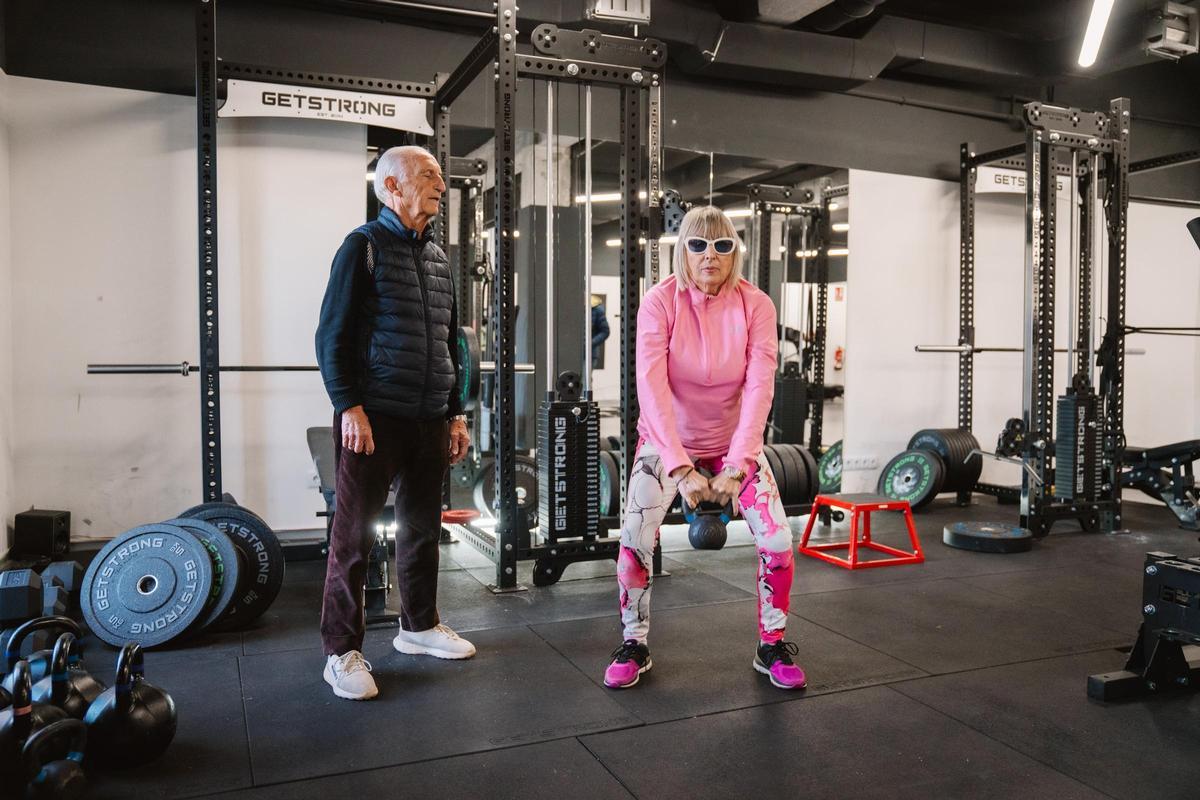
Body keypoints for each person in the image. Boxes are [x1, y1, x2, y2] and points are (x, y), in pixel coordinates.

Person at [604, 205, 806, 691]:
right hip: (666, 443)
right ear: (683, 251)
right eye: (697, 244)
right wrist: (677, 467)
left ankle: (771, 645)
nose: (709, 255)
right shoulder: (660, 302)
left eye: (722, 245)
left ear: (735, 251)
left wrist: (737, 466)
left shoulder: (755, 305)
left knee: (778, 541)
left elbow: (760, 389)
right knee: (634, 538)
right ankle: (635, 642)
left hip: (733, 445)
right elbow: (649, 389)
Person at [315, 145, 473, 701]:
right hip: (373, 416)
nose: (438, 182)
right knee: (352, 537)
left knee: (423, 529)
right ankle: (341, 651)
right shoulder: (362, 247)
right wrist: (349, 406)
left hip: (429, 415)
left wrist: (455, 411)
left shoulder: (437, 257)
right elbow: (330, 334)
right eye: (425, 175)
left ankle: (419, 626)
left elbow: (449, 341)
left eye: (438, 174)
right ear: (390, 188)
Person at [591, 297, 610, 370]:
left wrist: (591, 343)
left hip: (589, 354)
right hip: (568, 352)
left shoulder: (596, 308)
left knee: (584, 380)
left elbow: (605, 331)